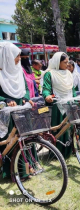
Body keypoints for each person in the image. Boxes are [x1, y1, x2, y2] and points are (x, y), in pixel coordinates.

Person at [0, 42, 32, 179]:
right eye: (16, 56)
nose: (19, 58)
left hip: (20, 110)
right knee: (10, 140)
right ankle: (10, 171)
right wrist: (5, 100)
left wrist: (25, 98)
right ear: (6, 57)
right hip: (5, 112)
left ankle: (26, 169)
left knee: (24, 138)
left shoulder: (19, 71)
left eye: (19, 55)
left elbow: (25, 88)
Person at [43, 52, 75, 158]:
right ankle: (57, 154)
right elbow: (46, 88)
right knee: (58, 130)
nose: (67, 65)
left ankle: (69, 151)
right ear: (58, 62)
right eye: (65, 62)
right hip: (57, 105)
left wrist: (75, 99)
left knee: (70, 128)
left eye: (68, 62)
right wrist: (47, 96)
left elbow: (72, 88)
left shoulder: (69, 73)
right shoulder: (50, 73)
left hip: (69, 103)